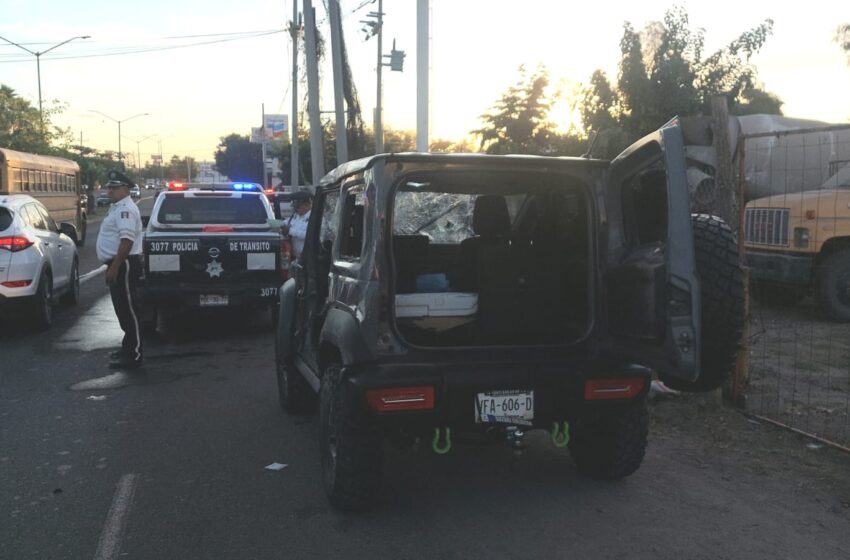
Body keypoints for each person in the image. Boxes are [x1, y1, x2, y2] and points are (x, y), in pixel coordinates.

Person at [96, 170, 144, 369]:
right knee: (121, 309)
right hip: (119, 263)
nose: (110, 191)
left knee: (128, 309)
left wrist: (115, 267)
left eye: (114, 188)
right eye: (109, 187)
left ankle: (134, 353)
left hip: (123, 263)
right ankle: (128, 347)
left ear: (125, 189)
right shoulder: (117, 207)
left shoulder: (126, 210)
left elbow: (126, 241)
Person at [282, 188, 312, 258]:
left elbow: (308, 235)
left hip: (308, 258)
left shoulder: (314, 218)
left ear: (306, 205)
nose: (295, 209)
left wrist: (290, 231)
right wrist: (278, 225)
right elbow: (285, 223)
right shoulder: (296, 216)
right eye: (294, 207)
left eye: (297, 206)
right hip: (295, 257)